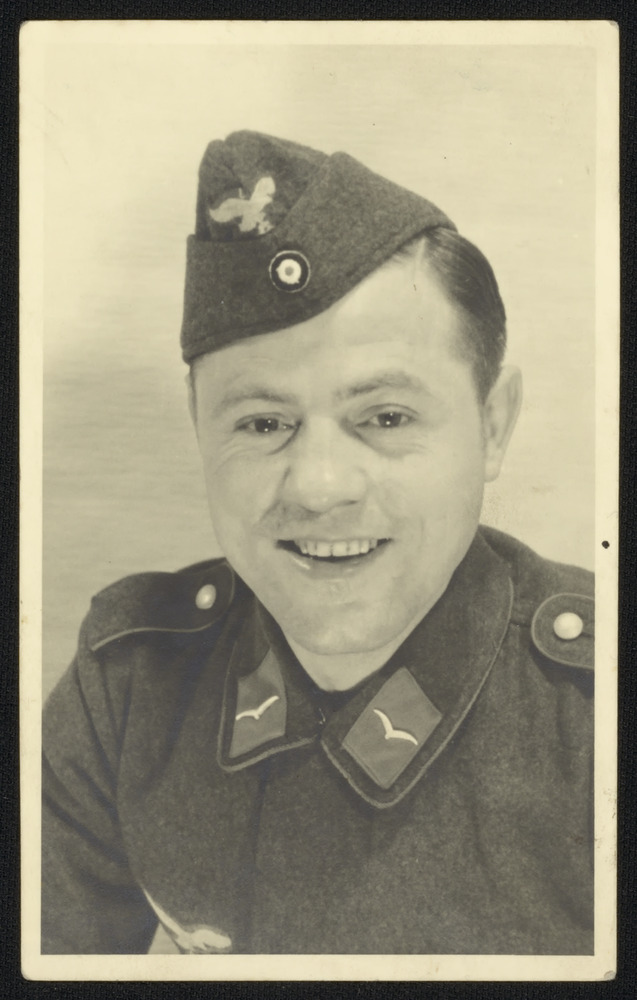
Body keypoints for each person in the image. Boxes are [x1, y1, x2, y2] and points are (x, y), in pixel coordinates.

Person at [42, 131, 594, 955]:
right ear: (199, 427)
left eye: (385, 417)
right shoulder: (128, 690)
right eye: (262, 424)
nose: (318, 486)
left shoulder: (592, 711)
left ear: (491, 426)